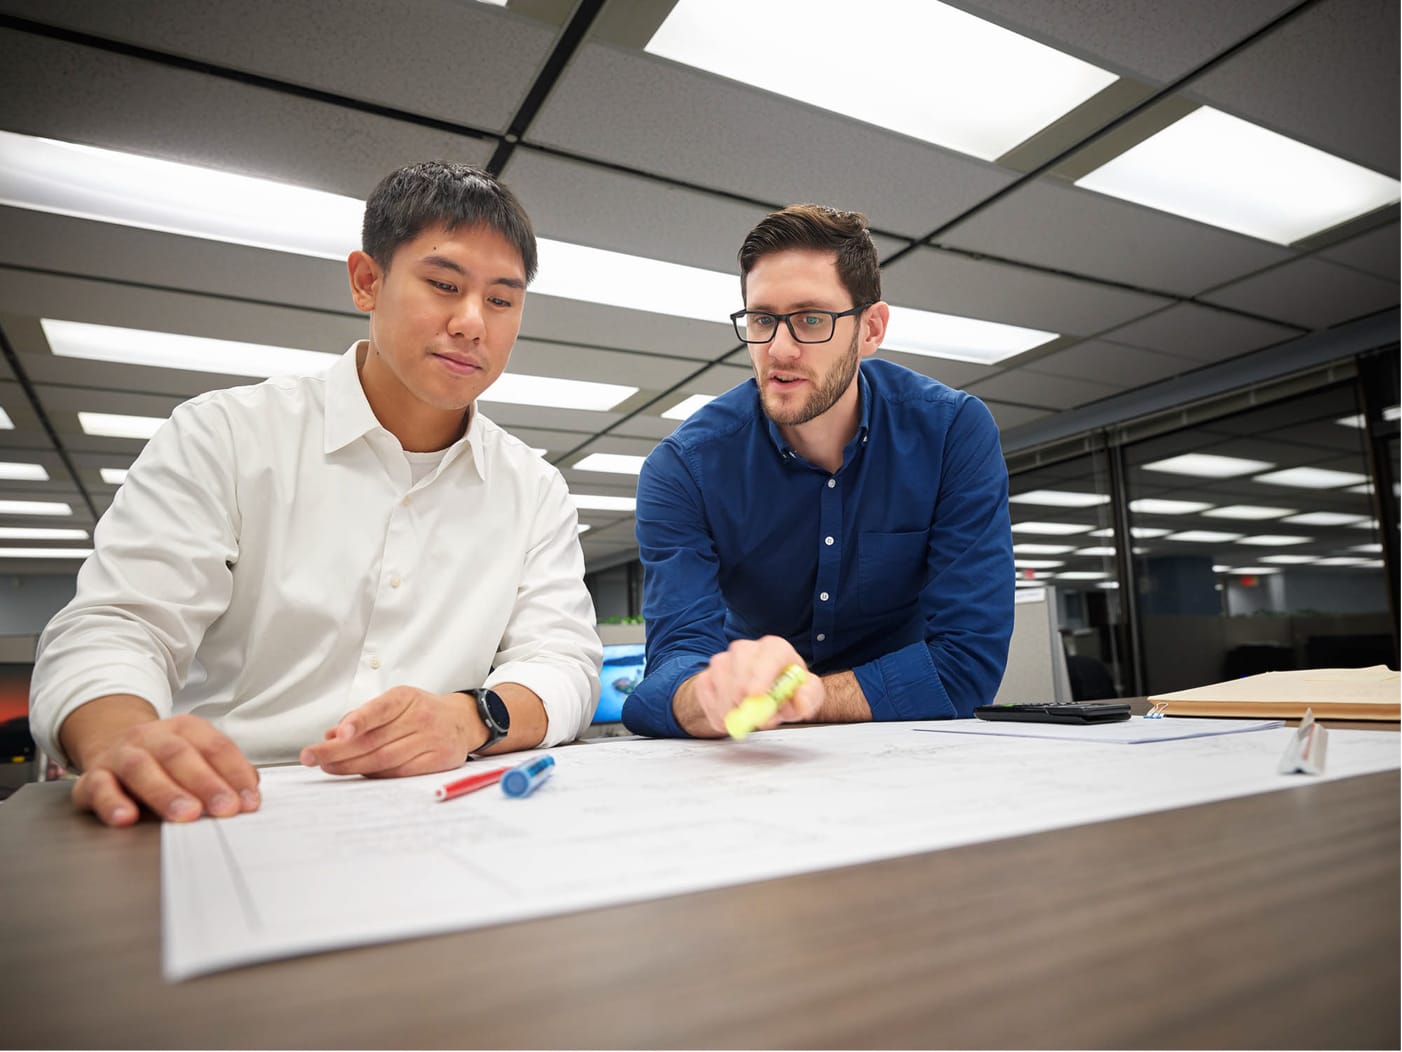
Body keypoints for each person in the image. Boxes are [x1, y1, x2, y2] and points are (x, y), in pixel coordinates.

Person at [29, 161, 602, 825]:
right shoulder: (227, 435)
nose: (473, 322)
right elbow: (119, 625)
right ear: (367, 281)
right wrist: (122, 737)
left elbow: (562, 660)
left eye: (501, 300)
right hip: (227, 806)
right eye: (444, 285)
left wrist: (471, 715)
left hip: (443, 815)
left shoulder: (534, 488)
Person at [623, 204, 1013, 739]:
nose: (779, 350)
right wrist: (704, 695)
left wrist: (807, 697)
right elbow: (669, 668)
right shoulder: (682, 469)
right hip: (756, 743)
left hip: (911, 740)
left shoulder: (951, 433)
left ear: (870, 329)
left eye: (811, 319)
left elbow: (968, 664)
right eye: (762, 320)